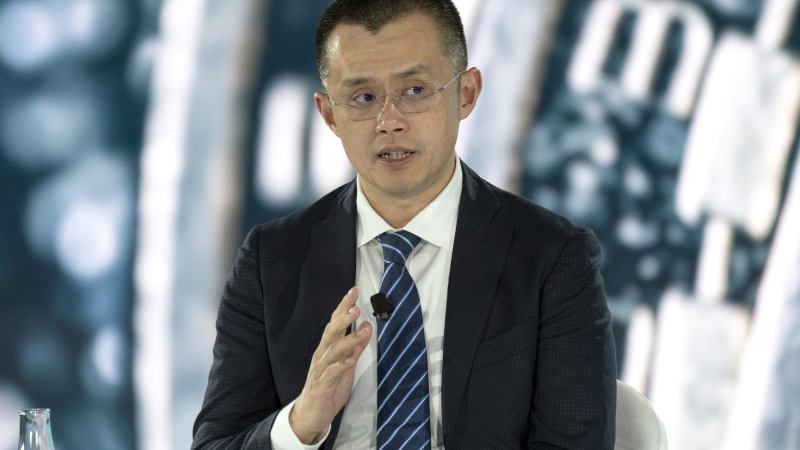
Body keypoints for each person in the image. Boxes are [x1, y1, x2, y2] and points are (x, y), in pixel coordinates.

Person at [192, 0, 616, 448]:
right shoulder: (270, 260)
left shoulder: (553, 257)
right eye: (363, 98)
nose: (389, 122)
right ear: (329, 114)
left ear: (467, 92)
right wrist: (301, 423)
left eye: (415, 90)